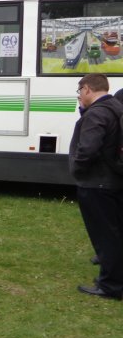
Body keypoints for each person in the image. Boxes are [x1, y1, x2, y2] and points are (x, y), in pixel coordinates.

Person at [69, 73, 123, 300]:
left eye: (79, 91)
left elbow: (88, 149)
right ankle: (113, 279)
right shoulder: (116, 107)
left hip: (97, 183)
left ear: (88, 89)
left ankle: (111, 285)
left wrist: (78, 169)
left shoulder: (97, 113)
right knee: (115, 232)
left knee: (105, 237)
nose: (79, 96)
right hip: (113, 180)